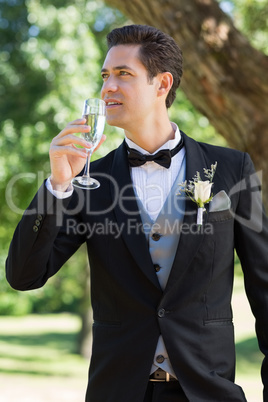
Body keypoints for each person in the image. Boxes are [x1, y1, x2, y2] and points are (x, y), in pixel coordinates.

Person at [6, 24, 268, 402]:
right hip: (118, 391)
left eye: (123, 74)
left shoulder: (231, 168)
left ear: (162, 85)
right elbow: (23, 276)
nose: (107, 87)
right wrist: (57, 186)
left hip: (208, 392)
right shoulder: (89, 182)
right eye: (105, 76)